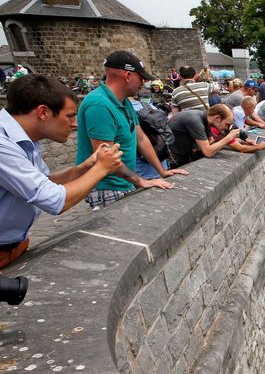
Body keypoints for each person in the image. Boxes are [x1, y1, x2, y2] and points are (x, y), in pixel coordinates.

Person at [0, 75, 124, 269]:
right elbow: (54, 200)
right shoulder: (2, 144)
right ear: (43, 112)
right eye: (69, 116)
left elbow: (45, 182)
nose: (75, 124)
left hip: (15, 247)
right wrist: (102, 169)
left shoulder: (27, 139)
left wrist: (85, 168)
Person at [75, 50, 176, 210]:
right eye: (141, 78)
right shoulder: (99, 104)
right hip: (108, 185)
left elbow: (141, 139)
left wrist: (161, 171)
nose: (143, 83)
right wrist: (141, 181)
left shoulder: (123, 101)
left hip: (124, 182)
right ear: (128, 76)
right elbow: (105, 158)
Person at [167, 104, 241, 167]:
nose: (226, 128)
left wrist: (222, 137)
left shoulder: (203, 117)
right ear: (217, 118)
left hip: (180, 155)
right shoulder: (196, 121)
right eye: (226, 124)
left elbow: (210, 143)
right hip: (172, 159)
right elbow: (208, 152)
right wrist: (229, 137)